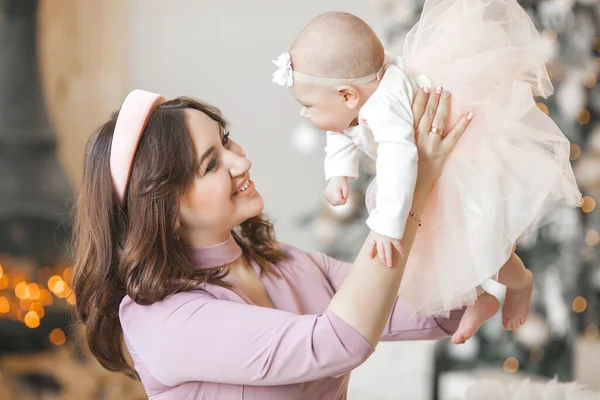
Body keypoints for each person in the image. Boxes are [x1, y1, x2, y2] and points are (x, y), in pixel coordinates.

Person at [71, 87, 472, 399]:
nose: (240, 162)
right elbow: (337, 342)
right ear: (165, 209)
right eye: (211, 164)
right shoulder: (160, 319)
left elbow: (436, 310)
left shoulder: (286, 263)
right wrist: (409, 188)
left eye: (226, 141)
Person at [271, 8, 581, 343]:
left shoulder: (385, 106)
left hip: (455, 167)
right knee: (438, 252)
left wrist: (387, 225)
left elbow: (399, 159)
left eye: (308, 105)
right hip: (426, 173)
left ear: (347, 95)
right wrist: (339, 175)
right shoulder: (356, 98)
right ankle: (479, 300)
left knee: (475, 241)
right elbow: (340, 129)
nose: (304, 112)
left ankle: (519, 280)